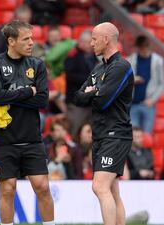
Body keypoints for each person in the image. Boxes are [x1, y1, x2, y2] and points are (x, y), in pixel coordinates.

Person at [0, 20, 55, 225]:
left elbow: (42, 100)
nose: (31, 42)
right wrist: (27, 92)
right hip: (3, 139)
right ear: (11, 41)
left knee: (42, 187)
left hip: (32, 138)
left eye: (32, 38)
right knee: (7, 189)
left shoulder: (37, 65)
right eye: (26, 39)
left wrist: (12, 95)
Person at [74, 22, 134, 225]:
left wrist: (93, 92)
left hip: (116, 134)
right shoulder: (99, 68)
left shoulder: (122, 67)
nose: (91, 43)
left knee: (99, 187)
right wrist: (94, 92)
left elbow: (102, 101)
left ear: (106, 39)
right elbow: (78, 97)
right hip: (100, 134)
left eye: (94, 39)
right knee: (112, 191)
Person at [128, 35, 164, 134]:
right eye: (142, 49)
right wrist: (133, 79)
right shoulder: (131, 59)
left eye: (146, 48)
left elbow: (162, 83)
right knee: (133, 136)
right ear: (138, 48)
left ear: (149, 47)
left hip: (148, 105)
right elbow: (124, 80)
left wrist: (152, 100)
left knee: (146, 136)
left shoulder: (158, 61)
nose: (144, 51)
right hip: (133, 103)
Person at [65, 30, 97, 137]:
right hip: (76, 103)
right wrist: (89, 81)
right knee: (74, 129)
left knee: (89, 133)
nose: (88, 45)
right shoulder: (73, 55)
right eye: (85, 42)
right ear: (80, 42)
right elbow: (70, 75)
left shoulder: (94, 56)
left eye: (90, 42)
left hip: (91, 102)